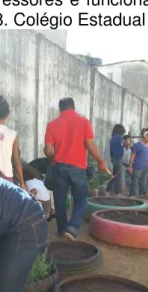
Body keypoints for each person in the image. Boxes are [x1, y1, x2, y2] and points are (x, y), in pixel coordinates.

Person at [44, 97, 108, 241]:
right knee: (81, 198)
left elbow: (48, 150)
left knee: (59, 199)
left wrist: (53, 157)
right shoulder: (84, 122)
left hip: (58, 166)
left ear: (60, 109)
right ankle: (72, 228)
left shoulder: (52, 124)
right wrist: (100, 161)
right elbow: (90, 145)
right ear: (74, 107)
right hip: (78, 167)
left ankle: (61, 229)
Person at [128, 130, 148, 197]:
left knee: (143, 184)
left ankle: (142, 196)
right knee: (134, 183)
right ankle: (132, 197)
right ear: (146, 137)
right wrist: (130, 167)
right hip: (137, 168)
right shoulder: (137, 145)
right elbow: (132, 157)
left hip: (145, 169)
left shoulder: (147, 147)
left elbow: (147, 159)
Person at [106, 124, 126, 197]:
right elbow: (125, 145)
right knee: (117, 175)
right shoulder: (119, 138)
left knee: (115, 174)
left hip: (114, 158)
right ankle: (117, 192)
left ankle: (108, 190)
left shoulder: (113, 138)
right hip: (118, 158)